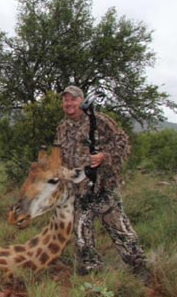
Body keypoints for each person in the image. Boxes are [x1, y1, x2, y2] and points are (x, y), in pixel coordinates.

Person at [55, 85, 150, 282]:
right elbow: (60, 155)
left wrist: (104, 156)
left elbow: (123, 143)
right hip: (79, 190)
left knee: (120, 229)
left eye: (73, 99)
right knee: (82, 233)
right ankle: (93, 269)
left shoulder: (99, 120)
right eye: (66, 100)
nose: (69, 103)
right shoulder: (62, 127)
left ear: (82, 100)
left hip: (103, 186)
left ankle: (140, 267)